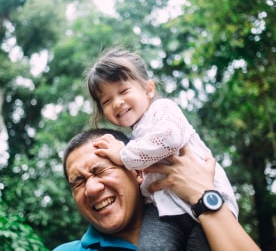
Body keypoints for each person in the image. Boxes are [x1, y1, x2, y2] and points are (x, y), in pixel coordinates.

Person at [86, 47, 238, 249]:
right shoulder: (133, 139)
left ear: (148, 89)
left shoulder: (162, 109)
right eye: (107, 100)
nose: (117, 103)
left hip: (202, 205)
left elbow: (170, 138)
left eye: (123, 91)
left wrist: (123, 155)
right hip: (163, 210)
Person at [53, 128, 260, 251]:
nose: (91, 189)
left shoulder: (202, 228)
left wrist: (203, 196)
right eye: (78, 182)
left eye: (100, 171)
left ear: (138, 172)